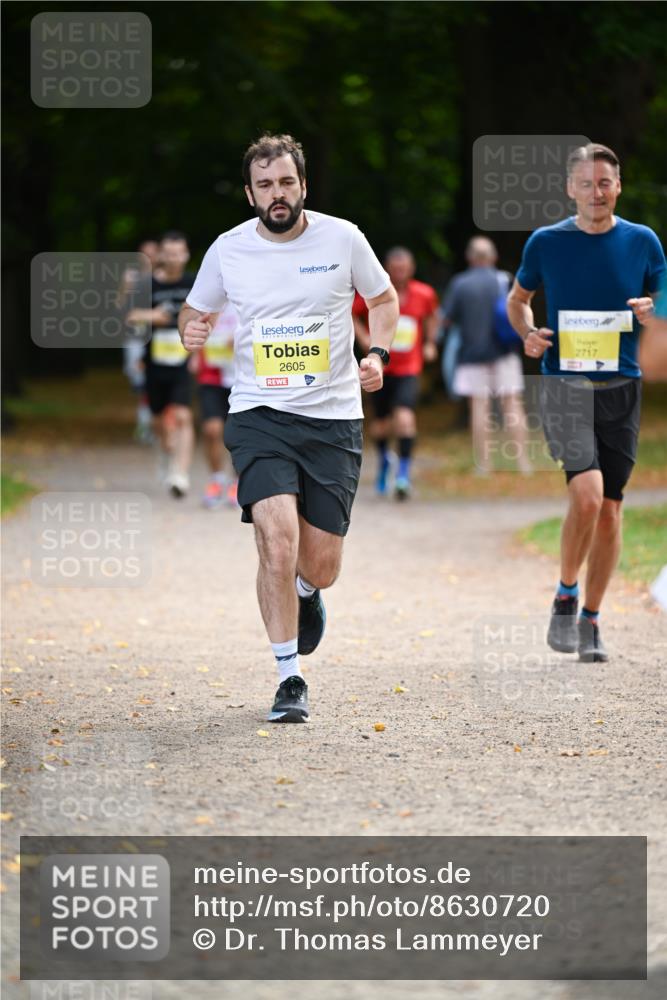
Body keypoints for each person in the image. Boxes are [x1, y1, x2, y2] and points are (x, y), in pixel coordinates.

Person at [179, 134, 398, 722]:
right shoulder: (229, 249)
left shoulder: (342, 237)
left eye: (286, 182)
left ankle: (308, 592)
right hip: (259, 415)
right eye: (265, 185)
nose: (277, 194)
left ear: (304, 185)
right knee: (277, 542)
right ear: (250, 194)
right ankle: (288, 677)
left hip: (332, 417)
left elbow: (383, 299)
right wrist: (190, 328)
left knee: (320, 563)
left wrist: (377, 354)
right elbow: (194, 309)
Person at [507, 142, 666, 662]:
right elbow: (518, 299)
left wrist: (654, 309)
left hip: (622, 387)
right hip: (565, 387)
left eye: (604, 183)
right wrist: (528, 334)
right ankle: (566, 590)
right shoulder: (546, 242)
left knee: (611, 509)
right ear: (569, 189)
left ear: (617, 187)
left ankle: (591, 618)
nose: (596, 192)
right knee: (589, 495)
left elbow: (664, 294)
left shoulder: (642, 241)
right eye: (586, 183)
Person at [352, 247, 439, 498]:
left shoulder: (424, 293)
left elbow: (432, 317)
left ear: (412, 269)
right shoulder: (374, 291)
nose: (400, 273)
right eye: (395, 268)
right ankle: (384, 461)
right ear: (387, 268)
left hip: (408, 367)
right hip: (379, 368)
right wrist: (364, 337)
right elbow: (352, 313)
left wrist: (430, 342)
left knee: (404, 418)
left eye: (404, 268)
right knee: (380, 426)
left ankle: (403, 475)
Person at [442, 237, 532, 475]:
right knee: (512, 404)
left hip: (472, 355)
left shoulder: (460, 284)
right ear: (493, 257)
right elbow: (521, 309)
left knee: (479, 407)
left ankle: (484, 465)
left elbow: (447, 319)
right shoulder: (505, 279)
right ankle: (523, 463)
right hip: (505, 352)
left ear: (469, 258)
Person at [128, 231, 197, 498]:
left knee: (182, 415)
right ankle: (167, 451)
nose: (174, 258)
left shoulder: (194, 283)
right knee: (158, 420)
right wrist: (152, 316)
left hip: (182, 361)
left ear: (186, 255)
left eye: (178, 253)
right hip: (154, 363)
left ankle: (181, 474)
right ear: (160, 255)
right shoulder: (147, 285)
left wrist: (199, 352)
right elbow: (129, 315)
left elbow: (209, 316)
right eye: (168, 253)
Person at [194, 302, 240, 508]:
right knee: (212, 430)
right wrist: (194, 353)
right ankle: (217, 479)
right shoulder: (208, 297)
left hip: (241, 377)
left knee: (239, 433)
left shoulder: (250, 293)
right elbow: (193, 325)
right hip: (211, 376)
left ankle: (238, 481)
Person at [122, 239, 159, 444]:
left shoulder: (164, 277)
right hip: (136, 336)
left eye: (153, 253)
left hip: (158, 337)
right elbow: (121, 307)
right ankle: (147, 423)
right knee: (140, 381)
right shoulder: (131, 277)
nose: (149, 257)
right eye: (145, 253)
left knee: (150, 382)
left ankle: (148, 425)